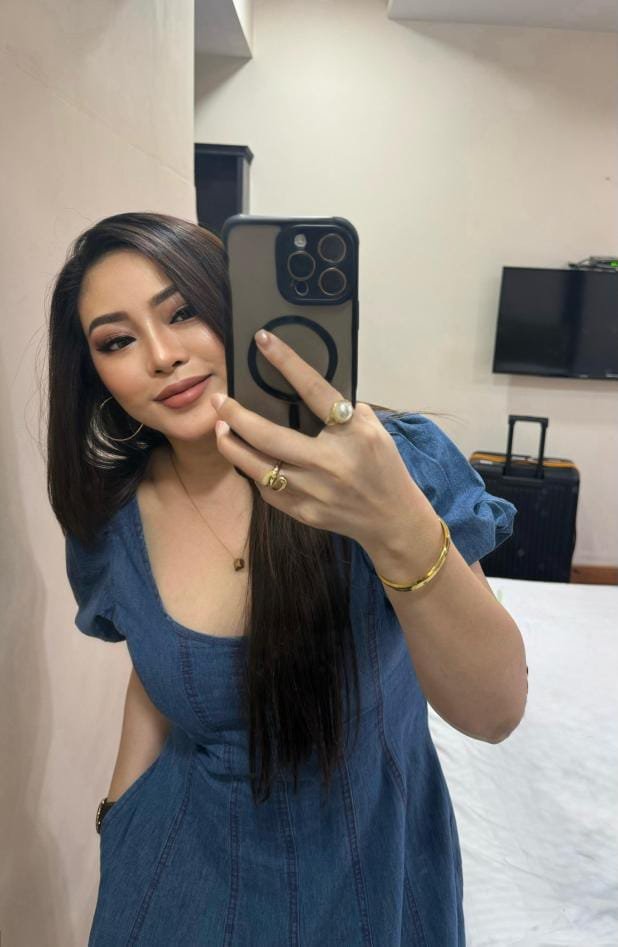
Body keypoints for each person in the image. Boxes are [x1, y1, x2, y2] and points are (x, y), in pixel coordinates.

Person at [48, 211, 526, 946]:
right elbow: (155, 671)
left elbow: (494, 712)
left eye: (183, 312)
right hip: (178, 879)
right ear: (96, 374)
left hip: (373, 874)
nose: (163, 356)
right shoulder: (113, 526)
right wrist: (119, 818)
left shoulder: (392, 467)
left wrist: (394, 522)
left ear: (238, 308)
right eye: (117, 341)